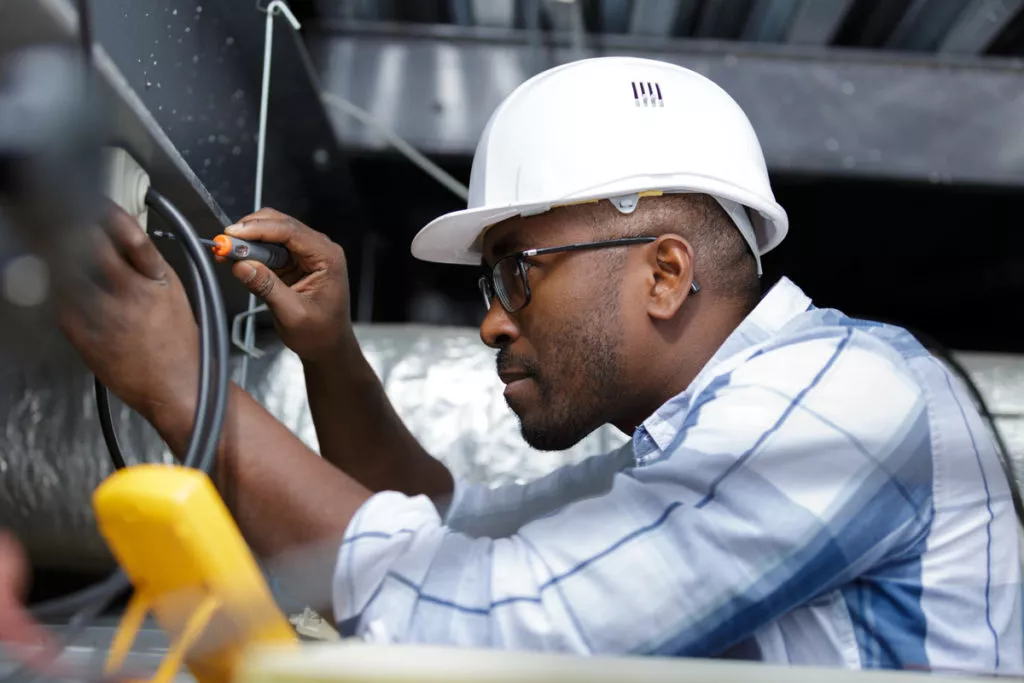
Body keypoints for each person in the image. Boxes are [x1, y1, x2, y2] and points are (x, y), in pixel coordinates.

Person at [2, 56, 1021, 671]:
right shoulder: (710, 438)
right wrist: (332, 355)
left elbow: (497, 626)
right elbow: (450, 528)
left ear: (664, 271)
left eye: (515, 274)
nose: (489, 325)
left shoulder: (842, 403)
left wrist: (183, 380)